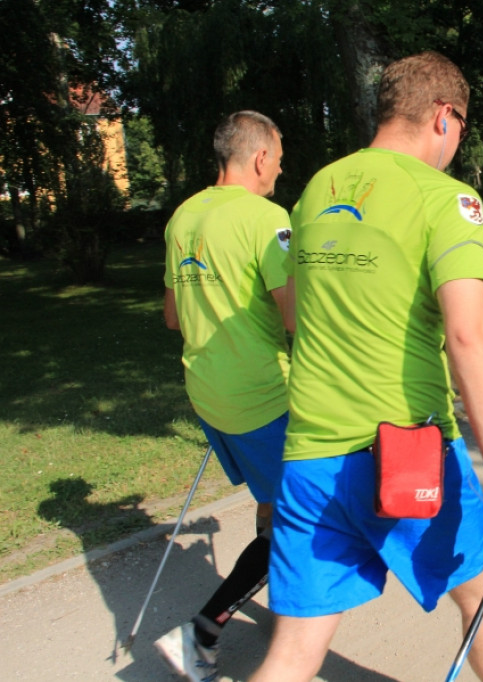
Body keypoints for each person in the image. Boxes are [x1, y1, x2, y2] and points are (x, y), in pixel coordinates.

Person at [250, 52, 483, 682]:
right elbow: (469, 335)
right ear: (443, 118)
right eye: (462, 129)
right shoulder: (446, 199)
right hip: (406, 455)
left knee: (292, 653)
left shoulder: (318, 187)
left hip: (311, 457)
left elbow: (298, 312)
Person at [156, 110, 294, 681]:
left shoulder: (183, 217)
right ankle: (203, 631)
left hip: (209, 396)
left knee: (273, 506)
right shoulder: (266, 218)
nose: (280, 173)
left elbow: (171, 317)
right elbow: (297, 316)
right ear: (260, 157)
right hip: (264, 397)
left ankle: (284, 607)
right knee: (306, 520)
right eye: (279, 162)